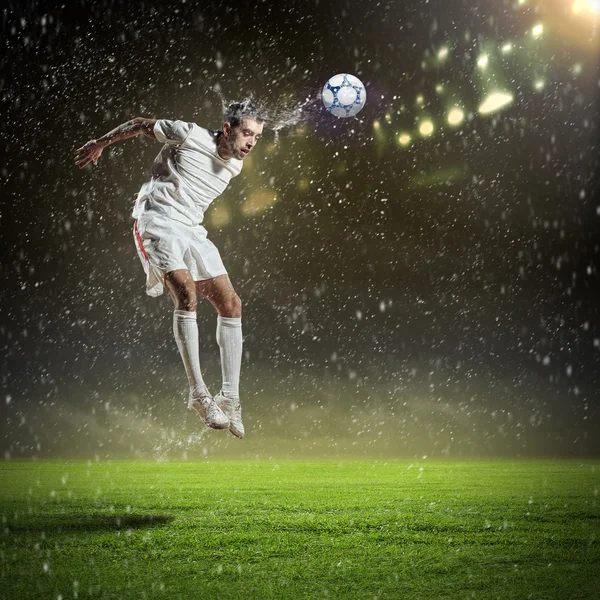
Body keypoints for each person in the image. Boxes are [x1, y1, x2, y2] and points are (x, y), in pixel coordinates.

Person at [74, 101, 265, 439]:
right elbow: (139, 123)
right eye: (247, 133)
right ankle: (198, 394)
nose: (251, 142)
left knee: (232, 305)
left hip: (191, 228)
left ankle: (230, 398)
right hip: (156, 221)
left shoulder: (234, 166)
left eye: (257, 137)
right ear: (227, 128)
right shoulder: (188, 134)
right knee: (186, 295)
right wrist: (100, 143)